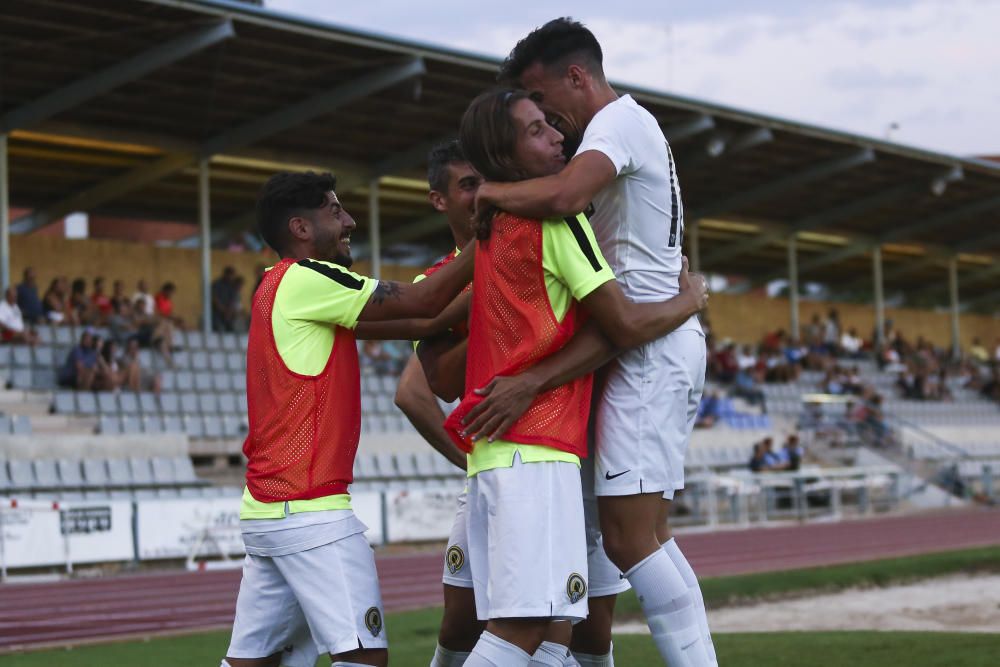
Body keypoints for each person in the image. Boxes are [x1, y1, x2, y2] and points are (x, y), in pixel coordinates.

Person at [469, 19, 715, 665]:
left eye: (544, 99)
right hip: (649, 341)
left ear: (577, 76)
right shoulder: (628, 128)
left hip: (647, 346)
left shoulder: (614, 126)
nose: (549, 118)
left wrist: (489, 189)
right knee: (638, 537)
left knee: (632, 539)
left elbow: (565, 195)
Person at [223, 170, 473, 667]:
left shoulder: (279, 288)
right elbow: (423, 301)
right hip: (311, 511)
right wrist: (494, 239)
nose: (350, 221)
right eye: (336, 211)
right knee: (363, 658)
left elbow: (424, 322)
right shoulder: (308, 279)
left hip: (268, 512)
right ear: (300, 227)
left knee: (256, 663)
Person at [388, 140, 485, 667]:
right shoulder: (437, 282)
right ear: (439, 200)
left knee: (570, 620)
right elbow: (417, 391)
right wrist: (470, 459)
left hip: (561, 453)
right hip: (493, 465)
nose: (480, 194)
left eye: (484, 181)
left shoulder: (536, 244)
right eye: (467, 185)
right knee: (460, 616)